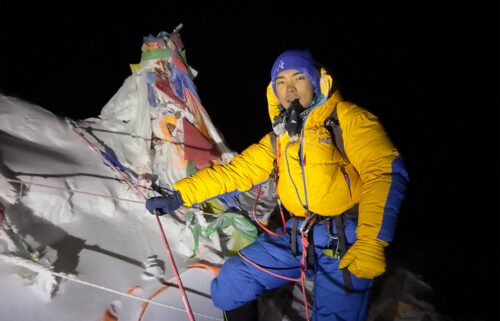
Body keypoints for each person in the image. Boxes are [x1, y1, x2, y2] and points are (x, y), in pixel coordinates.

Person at [145, 49, 409, 321]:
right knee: (232, 283)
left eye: (299, 78)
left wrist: (371, 242)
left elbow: (385, 172)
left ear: (316, 81)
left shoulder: (347, 119)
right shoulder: (281, 138)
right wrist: (179, 195)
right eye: (281, 81)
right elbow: (236, 173)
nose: (290, 88)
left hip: (347, 241)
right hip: (300, 236)